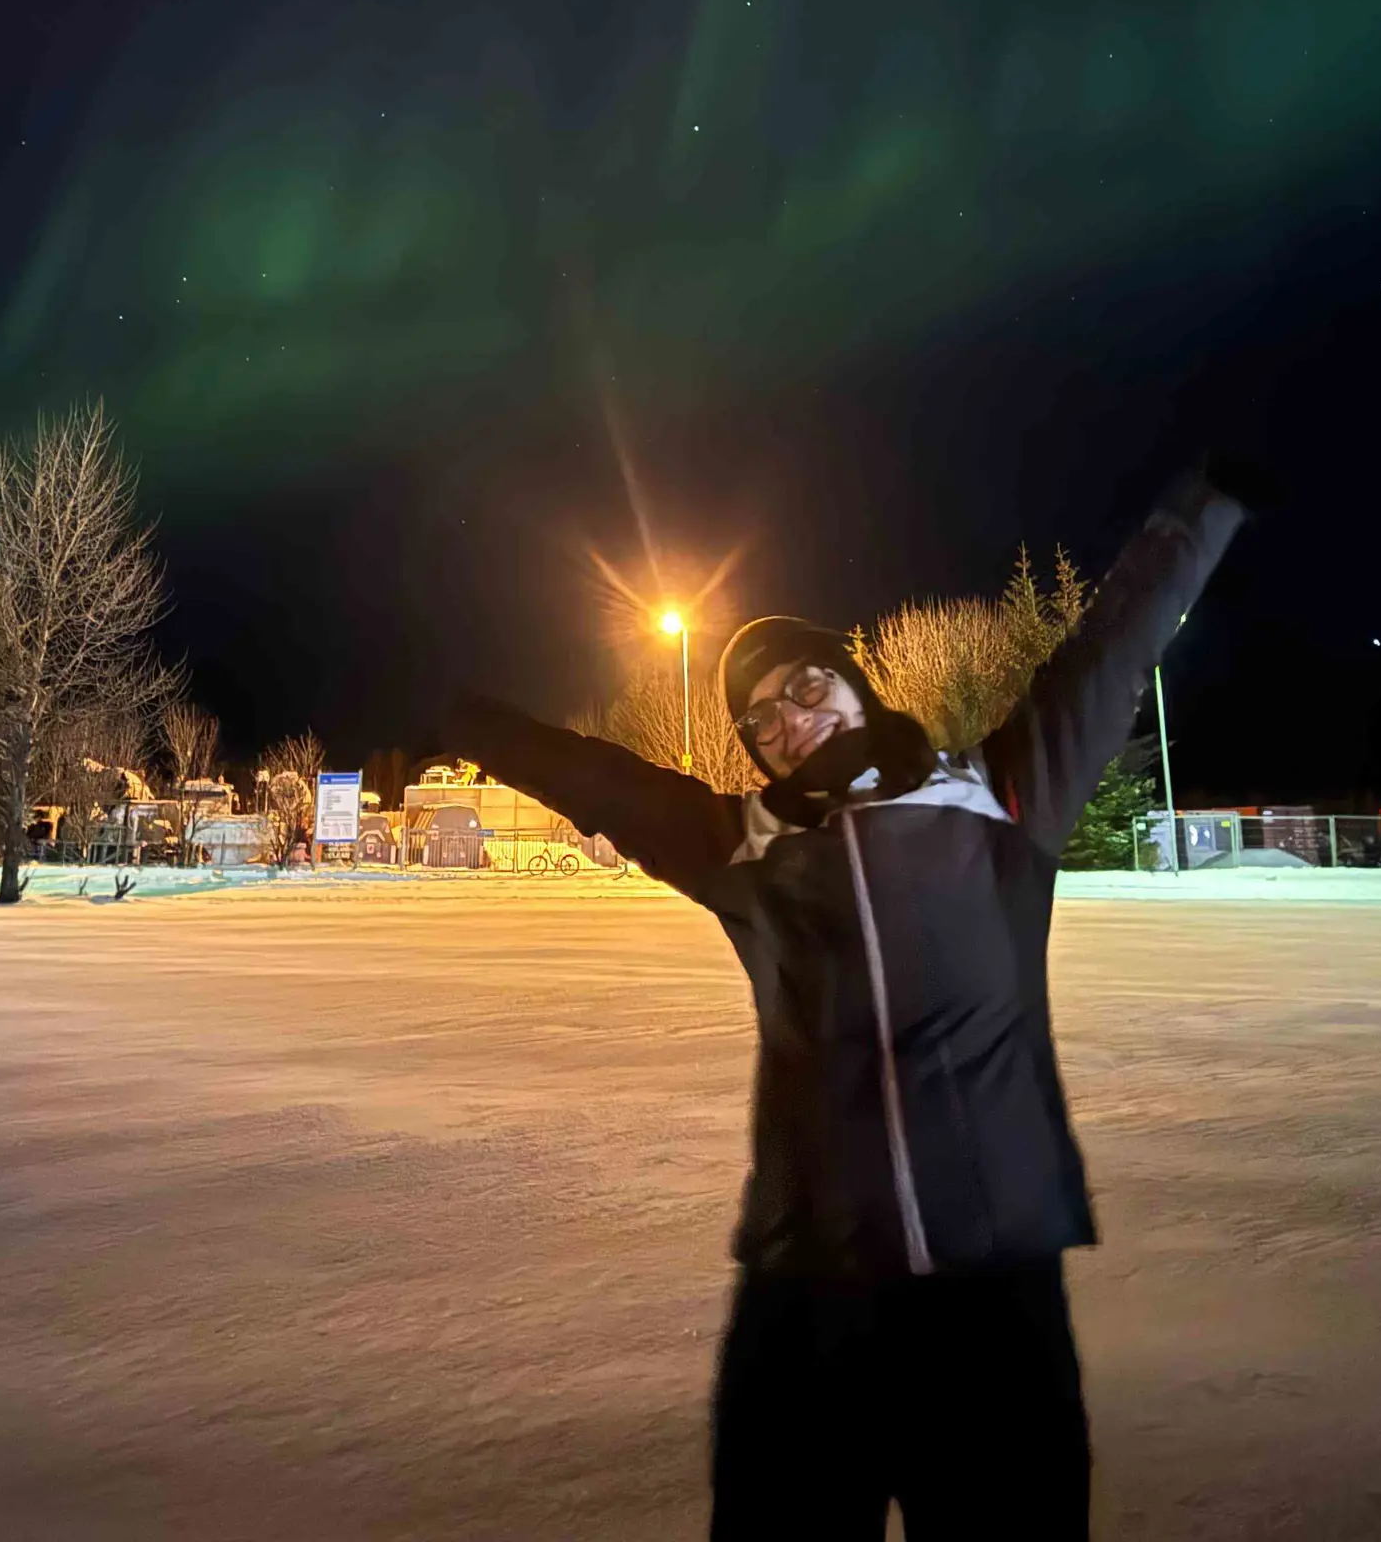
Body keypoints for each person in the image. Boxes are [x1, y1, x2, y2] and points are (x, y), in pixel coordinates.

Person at [443, 461, 1252, 1539]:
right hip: (807, 1303)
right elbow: (600, 781)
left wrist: (1206, 506)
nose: (786, 719)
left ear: (855, 683)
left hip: (991, 1300)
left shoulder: (1004, 795)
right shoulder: (743, 847)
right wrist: (462, 719)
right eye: (759, 718)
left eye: (804, 687)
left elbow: (1112, 646)